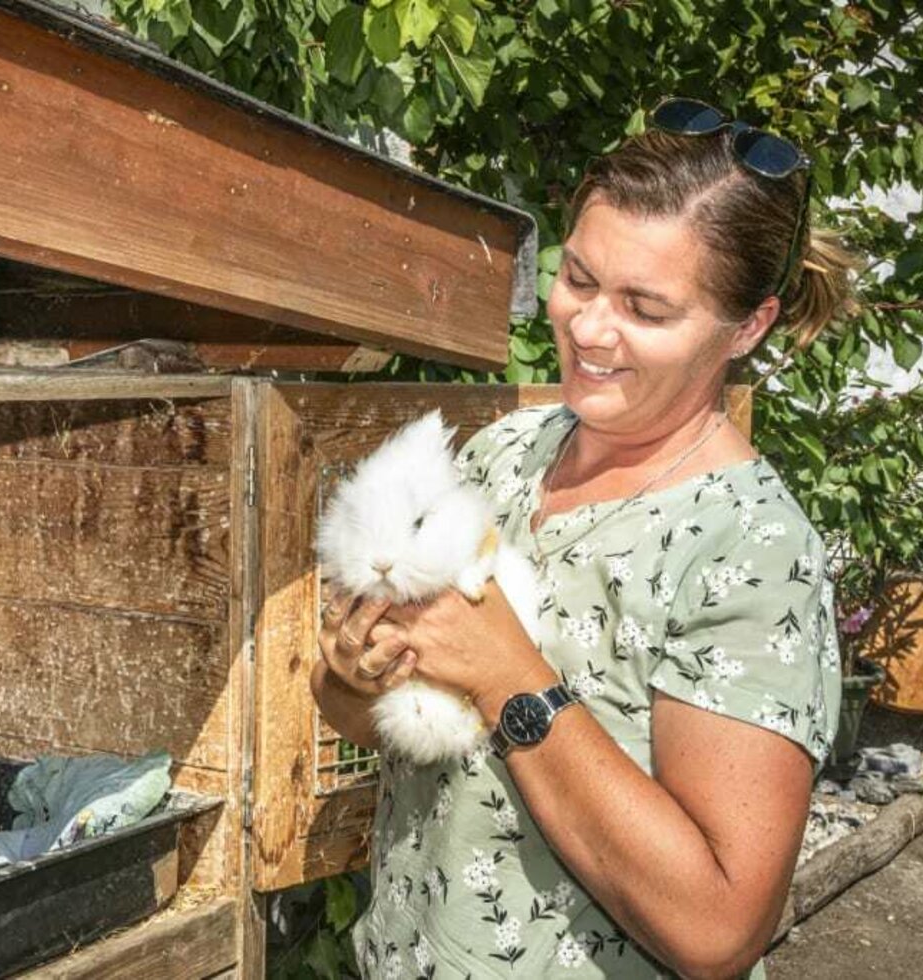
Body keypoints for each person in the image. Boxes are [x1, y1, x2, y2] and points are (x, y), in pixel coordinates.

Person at [312, 98, 857, 979]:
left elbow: (718, 930)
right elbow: (363, 722)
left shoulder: (749, 552)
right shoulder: (505, 453)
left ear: (747, 327)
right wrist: (349, 670)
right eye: (580, 280)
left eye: (646, 308)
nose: (588, 328)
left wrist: (506, 675)